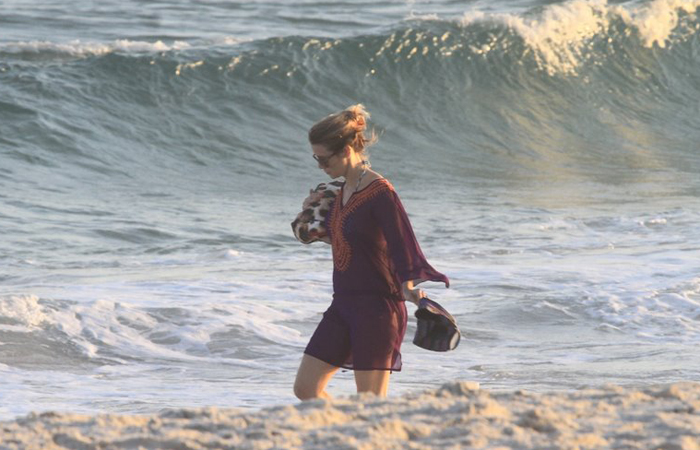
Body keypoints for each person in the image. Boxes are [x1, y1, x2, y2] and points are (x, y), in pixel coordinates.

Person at [293, 104, 449, 400]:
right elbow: (349, 242)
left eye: (325, 159)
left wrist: (414, 292)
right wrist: (310, 217)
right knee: (306, 389)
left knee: (370, 402)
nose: (320, 166)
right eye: (316, 158)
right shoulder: (338, 194)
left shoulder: (381, 193)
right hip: (342, 306)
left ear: (348, 148)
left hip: (377, 311)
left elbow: (403, 246)